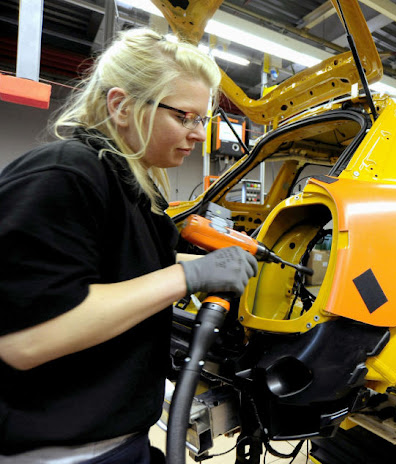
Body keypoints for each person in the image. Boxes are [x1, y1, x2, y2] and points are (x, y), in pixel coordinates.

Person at [0, 29, 258, 463]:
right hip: (65, 454)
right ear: (121, 105)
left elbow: (116, 264)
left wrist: (207, 261)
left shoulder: (132, 187)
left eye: (203, 120)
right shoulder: (64, 175)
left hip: (121, 440)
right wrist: (188, 275)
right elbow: (24, 341)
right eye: (185, 117)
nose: (198, 134)